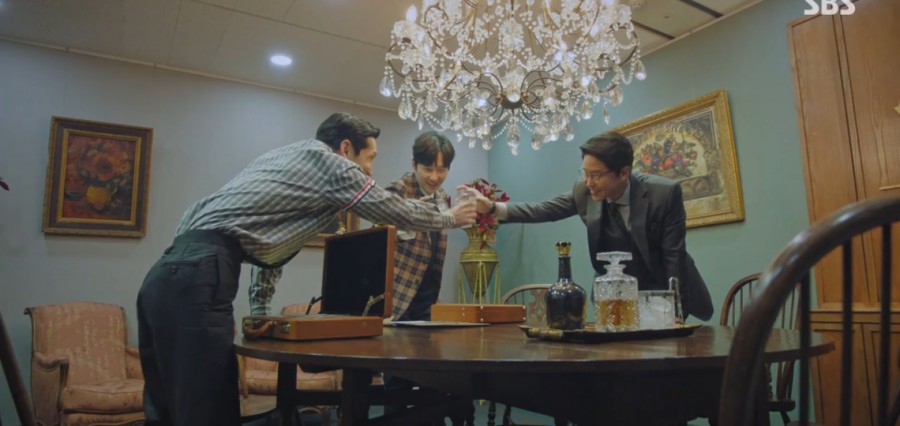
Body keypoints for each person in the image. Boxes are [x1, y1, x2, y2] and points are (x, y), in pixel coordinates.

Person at [136, 112, 477, 426]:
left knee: (164, 409)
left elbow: (270, 246)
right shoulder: (331, 163)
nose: (370, 170)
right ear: (346, 149)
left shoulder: (283, 158)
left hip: (165, 273)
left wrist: (260, 310)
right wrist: (449, 218)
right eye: (370, 158)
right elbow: (390, 209)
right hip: (200, 273)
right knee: (205, 411)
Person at [477, 131, 713, 321]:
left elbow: (674, 256)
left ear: (624, 173)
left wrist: (675, 308)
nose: (588, 182)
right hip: (617, 295)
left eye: (596, 175)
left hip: (662, 288)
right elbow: (543, 210)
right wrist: (492, 208)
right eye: (585, 173)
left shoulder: (664, 194)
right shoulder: (584, 191)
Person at [385, 131, 455, 322]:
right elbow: (382, 237)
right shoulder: (399, 189)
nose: (434, 177)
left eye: (441, 170)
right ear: (414, 164)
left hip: (428, 296)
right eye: (428, 169)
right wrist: (414, 218)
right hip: (399, 294)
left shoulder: (442, 197)